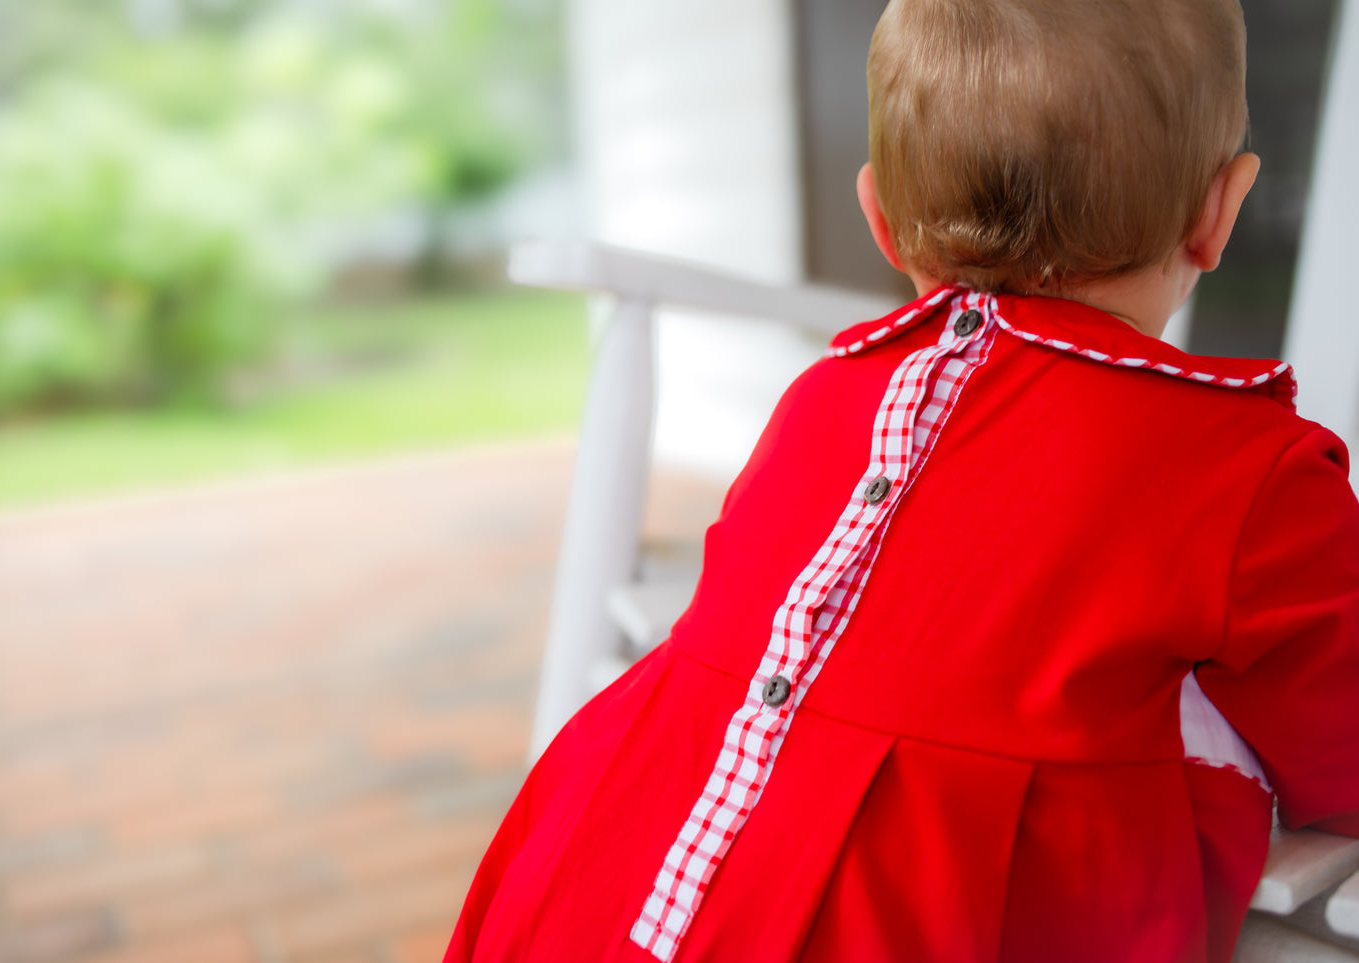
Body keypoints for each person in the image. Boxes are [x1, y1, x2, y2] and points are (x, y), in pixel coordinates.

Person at [444, 0, 1359, 960]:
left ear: (878, 217)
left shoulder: (822, 396)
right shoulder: (1248, 469)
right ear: (1219, 210)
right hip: (934, 917)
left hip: (599, 870)